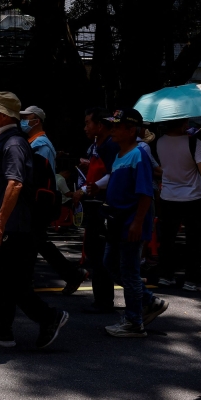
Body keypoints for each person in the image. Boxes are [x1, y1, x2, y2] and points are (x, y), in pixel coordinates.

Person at [0, 92, 68, 350]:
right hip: (4, 225)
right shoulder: (3, 141)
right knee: (2, 281)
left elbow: (15, 183)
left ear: (3, 115)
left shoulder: (13, 144)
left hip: (15, 227)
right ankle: (1, 331)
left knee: (14, 283)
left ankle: (50, 317)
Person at [101, 109, 169, 338]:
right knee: (110, 264)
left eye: (116, 127)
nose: (112, 130)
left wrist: (137, 223)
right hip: (117, 221)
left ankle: (133, 322)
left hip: (130, 222)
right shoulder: (121, 154)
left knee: (128, 272)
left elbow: (145, 193)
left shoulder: (138, 154)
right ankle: (149, 302)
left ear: (131, 130)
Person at [20, 105, 86, 295]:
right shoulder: (35, 142)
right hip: (38, 200)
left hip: (38, 201)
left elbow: (38, 175)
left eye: (27, 117)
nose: (23, 121)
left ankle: (70, 274)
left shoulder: (41, 144)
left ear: (37, 121)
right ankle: (70, 274)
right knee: (35, 240)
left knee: (34, 240)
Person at [154, 117, 201, 291]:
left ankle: (166, 275)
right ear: (184, 124)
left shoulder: (159, 142)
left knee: (167, 240)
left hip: (168, 196)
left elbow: (159, 167)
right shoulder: (194, 142)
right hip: (193, 196)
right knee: (193, 240)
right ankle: (192, 279)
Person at [70, 108, 118, 314]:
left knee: (101, 253)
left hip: (103, 205)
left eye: (88, 123)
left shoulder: (110, 146)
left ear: (100, 125)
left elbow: (113, 173)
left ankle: (105, 300)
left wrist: (91, 187)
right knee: (93, 251)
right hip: (93, 203)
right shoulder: (95, 146)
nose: (85, 127)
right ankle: (101, 298)